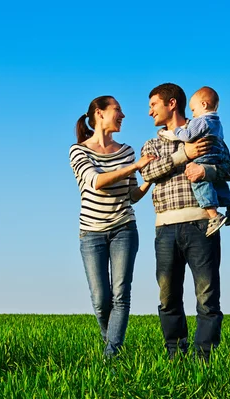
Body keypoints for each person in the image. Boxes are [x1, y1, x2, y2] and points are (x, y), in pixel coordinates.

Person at [140, 83, 230, 362]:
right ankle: (175, 355)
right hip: (165, 228)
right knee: (167, 297)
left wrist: (205, 169)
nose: (149, 112)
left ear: (172, 104)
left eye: (153, 105)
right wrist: (184, 154)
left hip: (201, 224)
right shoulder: (152, 144)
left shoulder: (207, 130)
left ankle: (205, 359)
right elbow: (148, 171)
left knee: (207, 297)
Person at [69, 95, 155, 358]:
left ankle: (112, 355)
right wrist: (136, 165)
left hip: (124, 228)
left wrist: (149, 177)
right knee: (100, 300)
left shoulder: (127, 151)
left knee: (121, 295)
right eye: (117, 110)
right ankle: (111, 344)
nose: (123, 115)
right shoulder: (79, 151)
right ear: (99, 113)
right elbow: (96, 182)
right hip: (91, 233)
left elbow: (132, 195)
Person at [170, 86, 230, 237]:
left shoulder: (200, 121)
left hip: (204, 156)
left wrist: (177, 130)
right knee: (218, 182)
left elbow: (188, 136)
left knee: (199, 181)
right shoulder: (217, 123)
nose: (193, 114)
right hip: (218, 155)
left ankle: (213, 215)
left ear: (203, 105)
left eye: (193, 110)